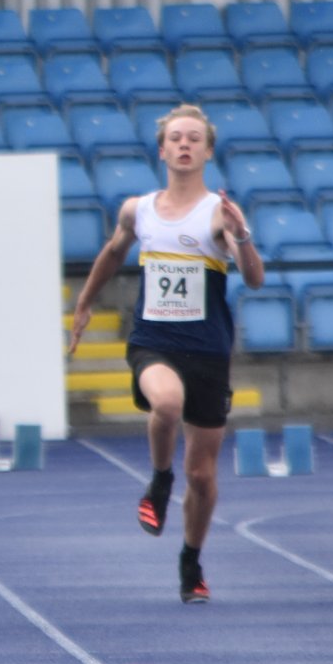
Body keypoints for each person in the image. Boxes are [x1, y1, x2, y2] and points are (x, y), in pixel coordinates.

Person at [69, 104, 263, 604]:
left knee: (203, 475)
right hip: (154, 342)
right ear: (162, 150)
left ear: (207, 150)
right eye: (175, 137)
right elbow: (113, 251)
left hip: (208, 350)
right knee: (166, 404)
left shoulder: (218, 213)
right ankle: (158, 479)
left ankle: (191, 560)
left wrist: (241, 236)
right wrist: (86, 302)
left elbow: (255, 279)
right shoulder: (139, 209)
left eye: (194, 139)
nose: (184, 145)